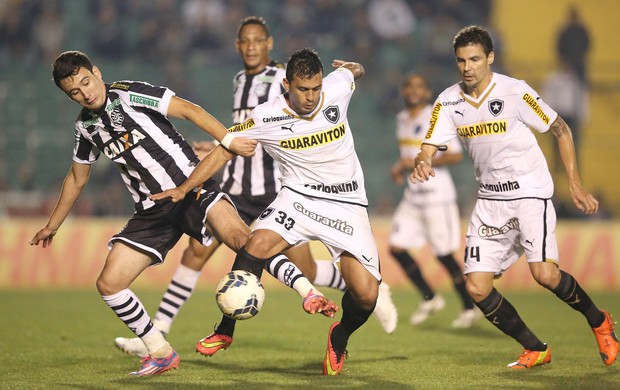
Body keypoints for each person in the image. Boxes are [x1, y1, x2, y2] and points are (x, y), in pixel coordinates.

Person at [28, 50, 333, 377]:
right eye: (75, 91)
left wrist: (228, 139)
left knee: (240, 239)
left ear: (97, 72)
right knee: (109, 283)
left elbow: (189, 110)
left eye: (87, 82)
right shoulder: (86, 127)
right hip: (152, 210)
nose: (85, 93)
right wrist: (52, 225)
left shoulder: (131, 93)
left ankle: (308, 292)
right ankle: (159, 352)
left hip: (191, 188)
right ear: (68, 95)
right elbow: (77, 177)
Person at [113, 16, 397, 360]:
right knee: (255, 244)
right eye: (303, 90)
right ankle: (224, 330)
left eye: (316, 89)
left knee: (365, 294)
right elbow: (223, 150)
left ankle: (340, 337)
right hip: (298, 198)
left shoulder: (336, 87)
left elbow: (355, 72)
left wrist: (353, 67)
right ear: (287, 87)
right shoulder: (265, 116)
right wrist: (185, 186)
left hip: (347, 204)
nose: (311, 98)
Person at [410, 25, 618, 369]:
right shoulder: (448, 100)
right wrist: (423, 162)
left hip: (530, 195)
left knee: (546, 276)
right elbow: (427, 147)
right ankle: (536, 348)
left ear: (489, 58)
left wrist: (575, 184)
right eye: (461, 60)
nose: (467, 67)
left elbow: (560, 129)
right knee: (476, 287)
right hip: (489, 203)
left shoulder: (514, 92)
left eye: (475, 59)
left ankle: (599, 321)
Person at [389, 72, 480, 328]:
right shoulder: (401, 119)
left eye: (419, 86)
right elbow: (409, 157)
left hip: (438, 197)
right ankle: (430, 298)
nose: (413, 90)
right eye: (408, 85)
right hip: (413, 195)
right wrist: (401, 167)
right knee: (396, 247)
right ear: (403, 91)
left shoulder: (435, 115)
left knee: (443, 254)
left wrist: (418, 162)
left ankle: (469, 307)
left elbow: (454, 155)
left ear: (428, 92)